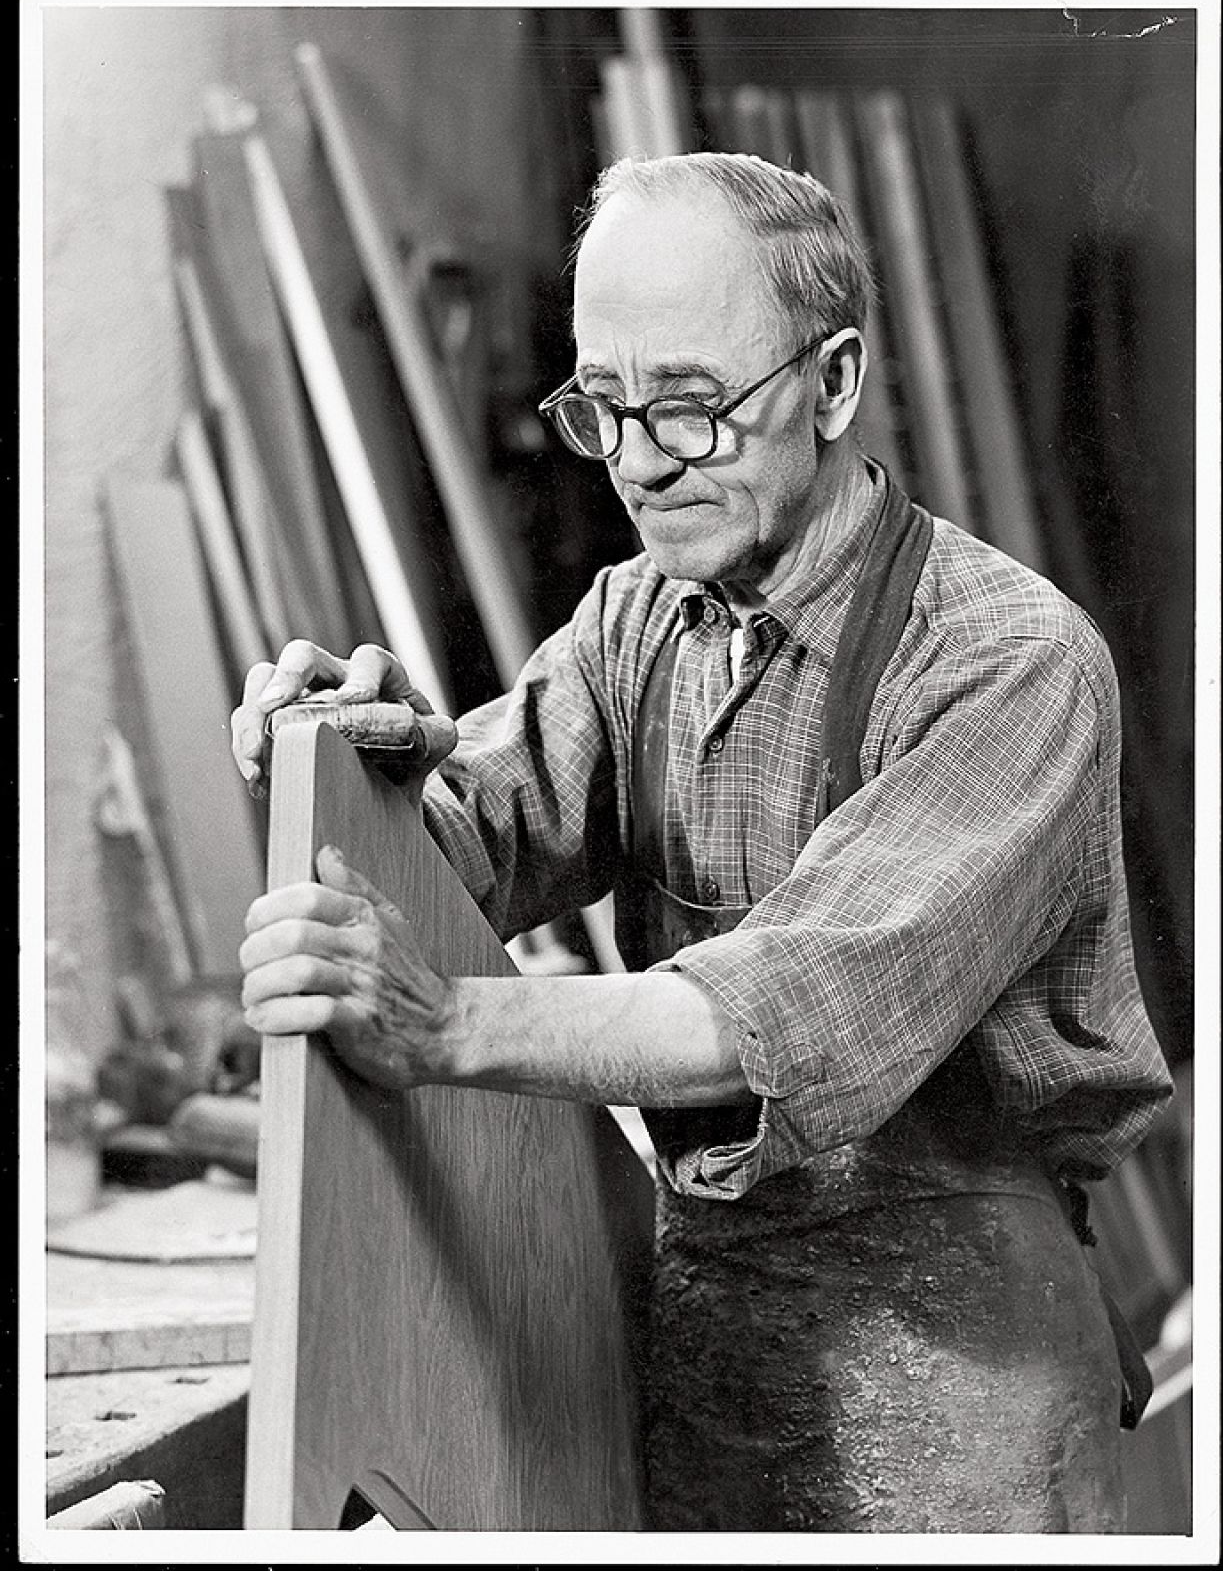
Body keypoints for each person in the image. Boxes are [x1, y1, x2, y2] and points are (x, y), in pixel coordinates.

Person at [230, 152, 1174, 1532]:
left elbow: (788, 1010)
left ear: (833, 383)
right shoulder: (638, 621)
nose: (640, 462)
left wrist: (443, 1021)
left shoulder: (1009, 664)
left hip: (963, 1388)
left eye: (689, 407)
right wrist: (342, 773)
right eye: (601, 408)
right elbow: (474, 838)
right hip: (708, 1342)